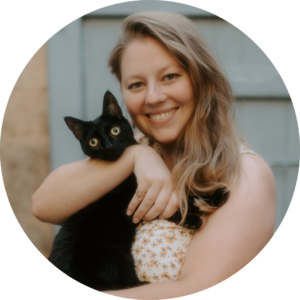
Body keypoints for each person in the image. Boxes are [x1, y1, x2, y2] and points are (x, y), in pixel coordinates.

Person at [32, 11, 276, 298]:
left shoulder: (245, 174)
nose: (153, 97)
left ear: (202, 80)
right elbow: (43, 205)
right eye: (136, 84)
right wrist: (136, 156)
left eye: (170, 76)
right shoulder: (131, 149)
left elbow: (197, 289)